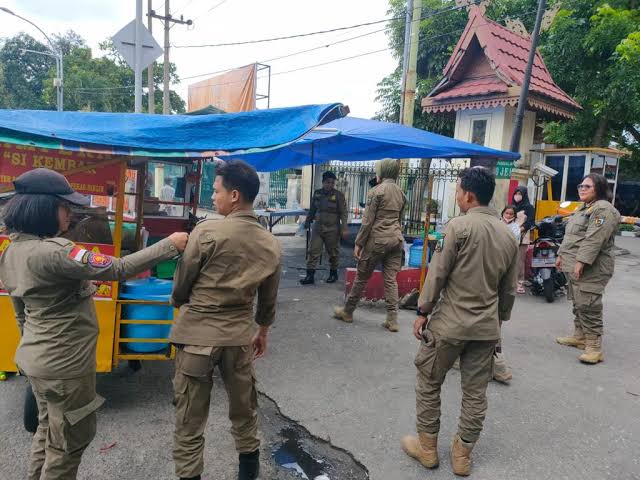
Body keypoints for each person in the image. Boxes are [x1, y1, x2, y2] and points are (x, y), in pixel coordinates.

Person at [0, 168, 188, 480]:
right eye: (65, 208)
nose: (69, 215)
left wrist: (34, 350)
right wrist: (170, 244)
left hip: (35, 360)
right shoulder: (56, 252)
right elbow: (119, 268)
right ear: (47, 209)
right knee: (68, 445)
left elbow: (20, 313)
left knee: (47, 433)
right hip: (65, 367)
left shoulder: (11, 252)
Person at [401, 167, 518, 476]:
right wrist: (499, 322)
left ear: (469, 195)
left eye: (456, 192)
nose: (456, 197)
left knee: (429, 380)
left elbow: (437, 273)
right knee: (475, 392)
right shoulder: (508, 234)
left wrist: (423, 310)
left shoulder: (459, 227)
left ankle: (427, 450)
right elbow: (508, 291)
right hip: (485, 328)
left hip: (449, 325)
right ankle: (462, 455)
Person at [170, 160, 282, 480]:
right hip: (238, 339)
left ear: (235, 195)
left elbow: (182, 283)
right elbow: (268, 298)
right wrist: (262, 331)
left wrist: (179, 303)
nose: (214, 197)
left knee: (190, 419)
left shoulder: (206, 231)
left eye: (217, 191)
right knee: (244, 411)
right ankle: (248, 472)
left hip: (196, 339)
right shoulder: (270, 243)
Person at [333, 159, 406, 332]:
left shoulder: (376, 191)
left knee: (362, 276)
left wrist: (358, 243)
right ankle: (392, 320)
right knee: (390, 280)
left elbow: (367, 222)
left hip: (378, 240)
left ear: (382, 171)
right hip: (396, 240)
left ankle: (348, 311)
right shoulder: (401, 193)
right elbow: (399, 219)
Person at [555, 173, 620, 364]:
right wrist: (561, 254)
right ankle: (580, 336)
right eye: (580, 186)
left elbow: (594, 239)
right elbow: (572, 235)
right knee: (578, 302)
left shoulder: (603, 210)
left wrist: (581, 262)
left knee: (589, 304)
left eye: (587, 186)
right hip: (575, 264)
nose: (582, 189)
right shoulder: (584, 208)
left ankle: (594, 347)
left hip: (593, 267)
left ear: (599, 189)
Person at [300, 171, 348, 284]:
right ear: (323, 182)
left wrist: (344, 228)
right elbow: (312, 210)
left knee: (333, 253)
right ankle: (310, 276)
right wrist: (307, 221)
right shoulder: (317, 194)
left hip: (333, 229)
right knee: (313, 251)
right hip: (318, 228)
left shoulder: (338, 195)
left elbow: (344, 213)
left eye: (332, 183)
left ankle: (333, 273)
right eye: (327, 182)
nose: (330, 185)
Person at [512, 186, 535, 294]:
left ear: (524, 195)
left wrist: (519, 229)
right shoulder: (511, 206)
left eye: (520, 194)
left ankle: (519, 283)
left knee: (519, 261)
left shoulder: (529, 207)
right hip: (509, 236)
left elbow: (530, 222)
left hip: (522, 236)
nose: (517, 196)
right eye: (516, 193)